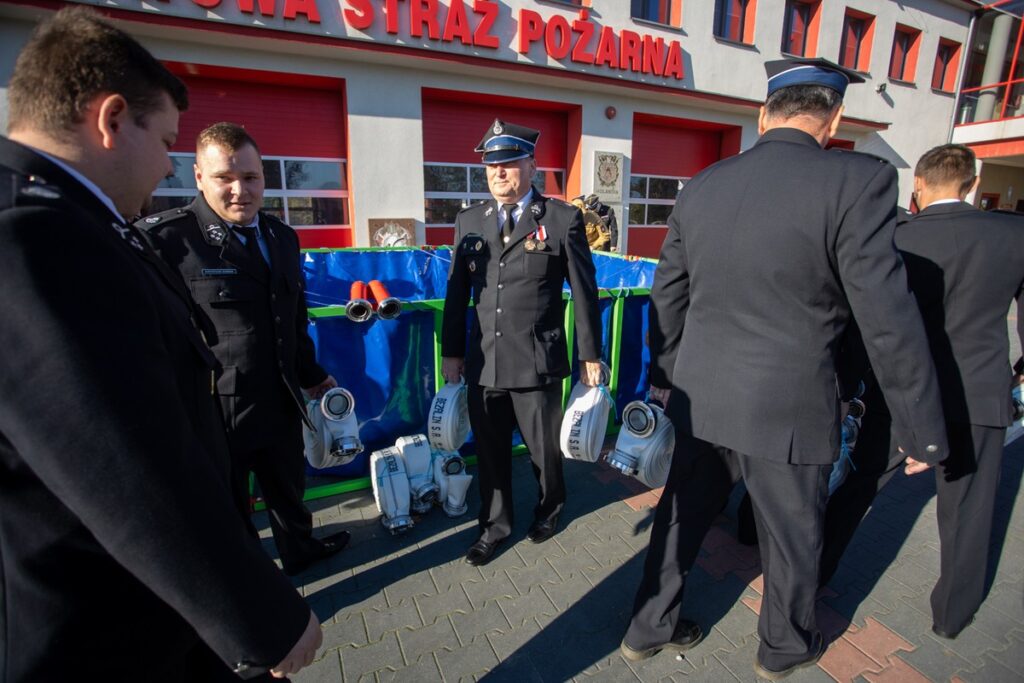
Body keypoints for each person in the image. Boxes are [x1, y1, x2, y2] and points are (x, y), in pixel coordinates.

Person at [0, 8, 320, 681]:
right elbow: (123, 465)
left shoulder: (74, 219)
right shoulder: (35, 236)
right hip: (99, 632)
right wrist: (261, 615)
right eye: (168, 139)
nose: (170, 161)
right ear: (113, 120)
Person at [619, 58, 948, 681]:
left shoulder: (706, 183)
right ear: (835, 120)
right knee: (793, 536)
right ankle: (783, 647)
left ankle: (647, 628)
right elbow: (887, 316)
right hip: (789, 404)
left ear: (762, 114)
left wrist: (664, 375)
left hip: (704, 395)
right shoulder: (859, 180)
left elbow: (668, 293)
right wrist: (920, 427)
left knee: (680, 515)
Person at [822, 144, 1024, 640]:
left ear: (918, 185)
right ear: (972, 184)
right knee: (970, 511)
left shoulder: (895, 237)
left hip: (902, 393)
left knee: (860, 485)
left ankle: (810, 575)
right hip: (979, 393)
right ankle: (952, 616)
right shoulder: (1014, 235)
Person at [140, 122, 348, 576]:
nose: (240, 190)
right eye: (224, 178)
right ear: (198, 177)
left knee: (289, 487)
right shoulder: (167, 242)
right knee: (230, 510)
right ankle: (251, 584)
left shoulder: (282, 238)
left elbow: (292, 319)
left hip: (280, 397)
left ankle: (300, 551)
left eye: (251, 178)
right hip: (216, 410)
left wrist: (310, 373)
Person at [441, 119, 603, 566]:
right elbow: (456, 295)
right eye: (491, 166)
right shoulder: (469, 221)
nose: (499, 174)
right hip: (485, 362)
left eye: (509, 164)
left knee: (543, 450)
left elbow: (584, 293)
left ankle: (550, 507)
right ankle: (494, 526)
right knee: (490, 453)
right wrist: (451, 352)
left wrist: (591, 354)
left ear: (532, 166)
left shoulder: (562, 218)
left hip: (536, 360)